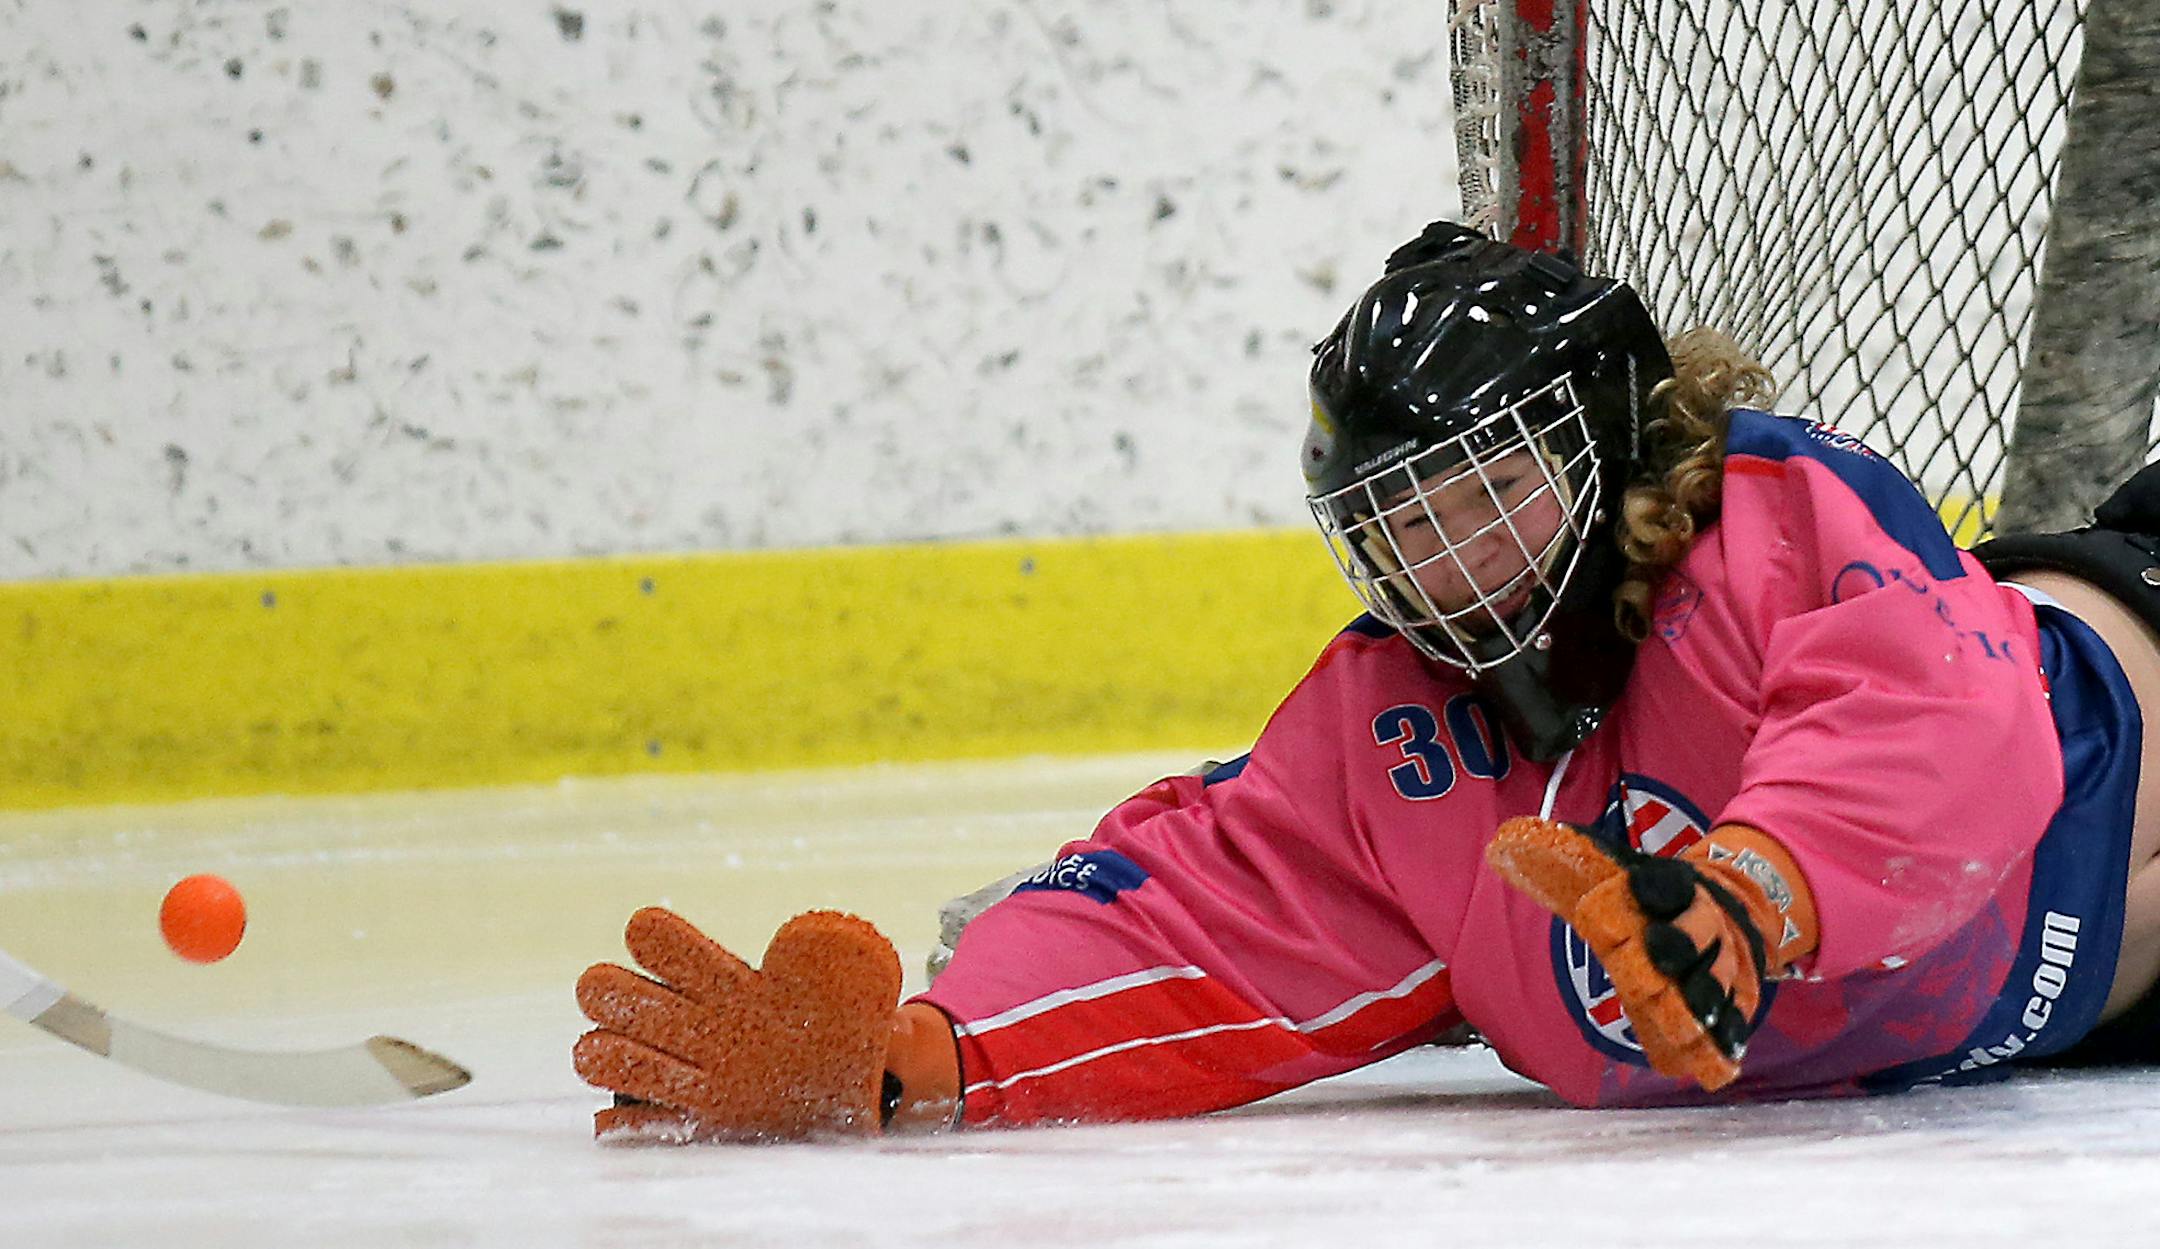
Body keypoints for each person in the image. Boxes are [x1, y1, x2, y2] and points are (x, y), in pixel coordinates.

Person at [570, 220, 2160, 1141]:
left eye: (1493, 492)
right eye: (1403, 523)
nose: (1452, 560)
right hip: (2071, 1003)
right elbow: (1197, 911)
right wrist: (921, 1054)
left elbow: (1945, 714)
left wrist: (1754, 887)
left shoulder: (1765, 516)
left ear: (1612, 441)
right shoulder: (1396, 739)